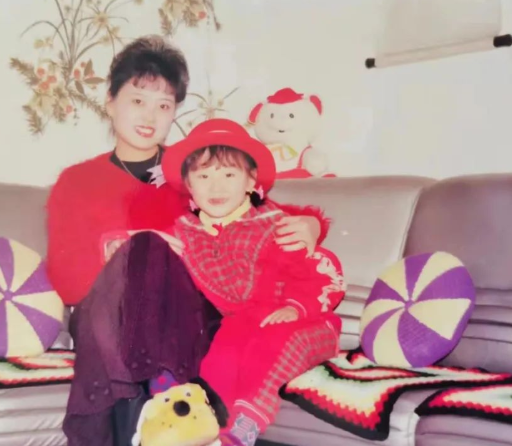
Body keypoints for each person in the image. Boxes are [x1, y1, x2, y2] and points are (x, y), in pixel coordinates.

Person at [46, 35, 330, 446]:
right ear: (109, 101)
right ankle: (150, 414)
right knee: (145, 250)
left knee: (151, 251)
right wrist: (119, 249)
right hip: (106, 320)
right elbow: (67, 284)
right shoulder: (77, 182)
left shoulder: (194, 173)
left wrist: (312, 225)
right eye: (137, 100)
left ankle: (143, 420)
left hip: (190, 322)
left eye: (164, 105)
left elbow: (257, 212)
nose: (150, 116)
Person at [160, 118, 346, 446]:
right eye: (203, 176)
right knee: (222, 352)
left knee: (271, 344)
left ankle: (247, 425)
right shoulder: (186, 233)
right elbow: (149, 253)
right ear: (189, 184)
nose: (216, 187)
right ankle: (210, 424)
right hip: (244, 322)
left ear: (250, 181)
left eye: (229, 175)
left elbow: (321, 273)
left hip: (307, 322)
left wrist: (296, 307)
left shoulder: (276, 225)